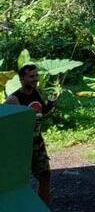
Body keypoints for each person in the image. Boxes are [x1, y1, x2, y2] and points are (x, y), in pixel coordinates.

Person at [4, 64, 55, 204]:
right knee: (17, 181)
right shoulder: (13, 99)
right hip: (20, 146)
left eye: (36, 75)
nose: (35, 79)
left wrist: (51, 103)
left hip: (37, 142)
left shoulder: (36, 93)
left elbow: (43, 112)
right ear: (22, 79)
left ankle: (43, 207)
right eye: (31, 76)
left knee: (45, 176)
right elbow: (6, 124)